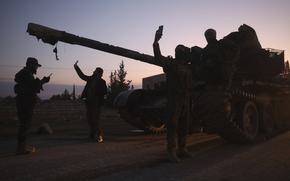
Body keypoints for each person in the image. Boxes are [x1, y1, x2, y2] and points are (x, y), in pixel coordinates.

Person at [153, 26, 192, 162]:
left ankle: (182, 148)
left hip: (186, 98)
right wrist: (156, 41)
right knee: (173, 125)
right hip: (175, 98)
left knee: (184, 125)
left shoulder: (188, 66)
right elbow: (158, 58)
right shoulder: (171, 63)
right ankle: (172, 151)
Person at [14, 57, 50, 154]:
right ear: (31, 65)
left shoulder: (24, 74)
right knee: (25, 125)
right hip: (25, 103)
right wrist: (43, 81)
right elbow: (33, 87)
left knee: (24, 125)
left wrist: (42, 81)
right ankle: (21, 149)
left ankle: (22, 146)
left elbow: (31, 86)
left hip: (23, 102)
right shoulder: (27, 74)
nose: (36, 68)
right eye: (36, 66)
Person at [74, 61, 107, 142]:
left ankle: (99, 135)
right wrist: (76, 67)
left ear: (98, 73)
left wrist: (96, 94)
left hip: (96, 103)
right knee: (89, 119)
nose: (93, 71)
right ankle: (92, 135)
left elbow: (104, 92)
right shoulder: (90, 79)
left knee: (95, 120)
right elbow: (82, 76)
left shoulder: (102, 82)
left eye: (95, 70)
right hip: (89, 102)